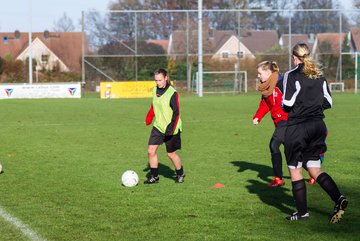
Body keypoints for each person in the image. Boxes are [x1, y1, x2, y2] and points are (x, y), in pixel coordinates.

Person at [282, 42, 348, 223]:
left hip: (298, 127)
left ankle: (302, 212)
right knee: (314, 168)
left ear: (294, 57)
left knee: (295, 169)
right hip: (318, 126)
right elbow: (328, 102)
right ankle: (339, 198)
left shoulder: (291, 75)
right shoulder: (319, 75)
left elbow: (287, 103)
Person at [144, 68, 185, 184]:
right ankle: (154, 177)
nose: (158, 83)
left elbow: (177, 113)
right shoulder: (154, 90)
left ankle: (180, 173)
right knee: (151, 151)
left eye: (160, 80)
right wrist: (150, 116)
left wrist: (170, 129)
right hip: (158, 126)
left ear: (166, 78)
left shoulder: (172, 93)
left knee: (170, 154)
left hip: (172, 128)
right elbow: (154, 105)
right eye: (156, 80)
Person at [253, 61, 288, 187]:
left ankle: (278, 179)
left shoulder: (282, 83)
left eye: (260, 73)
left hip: (287, 121)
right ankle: (313, 170)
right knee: (292, 152)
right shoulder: (266, 87)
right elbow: (265, 104)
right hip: (279, 123)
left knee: (274, 145)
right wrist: (258, 116)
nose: (258, 76)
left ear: (268, 73)